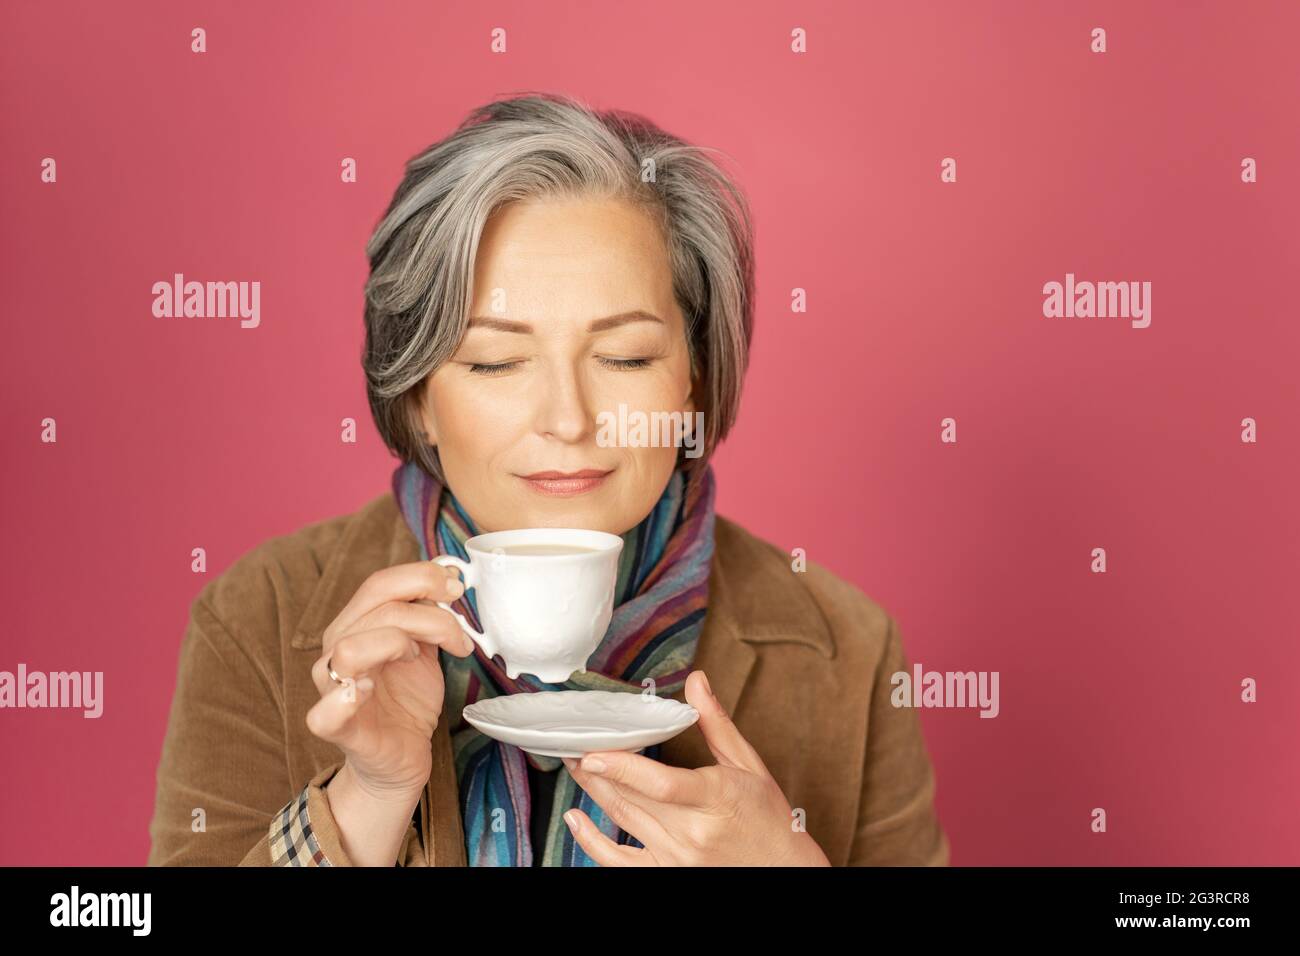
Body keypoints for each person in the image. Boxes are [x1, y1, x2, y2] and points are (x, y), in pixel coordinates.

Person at [146, 92, 950, 867]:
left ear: (694, 380)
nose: (569, 420)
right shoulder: (262, 613)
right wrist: (368, 797)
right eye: (496, 361)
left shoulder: (850, 647)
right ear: (418, 394)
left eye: (627, 357)